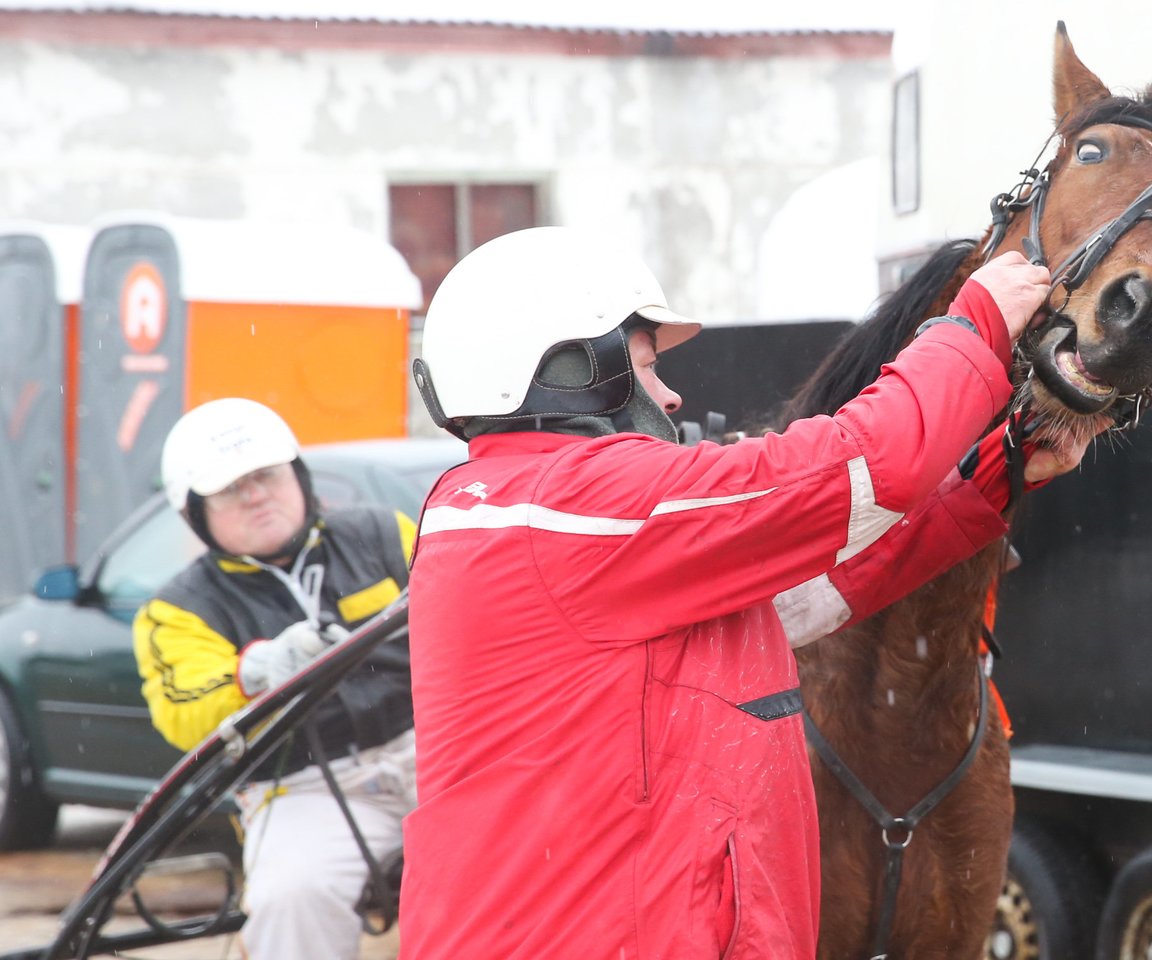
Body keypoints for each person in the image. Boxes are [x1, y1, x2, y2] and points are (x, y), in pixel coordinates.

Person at [399, 226, 1095, 959]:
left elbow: (809, 595)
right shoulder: (574, 505)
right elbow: (869, 462)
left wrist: (994, 474)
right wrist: (973, 322)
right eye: (646, 368)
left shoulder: (520, 512)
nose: (671, 395)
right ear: (568, 370)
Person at [133, 397, 417, 960]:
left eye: (266, 475)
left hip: (431, 751)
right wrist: (255, 670)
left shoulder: (384, 533)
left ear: (298, 475)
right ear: (195, 513)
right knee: (293, 896)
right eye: (231, 488)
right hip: (300, 789)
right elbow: (180, 713)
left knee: (531, 842)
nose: (256, 494)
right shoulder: (178, 609)